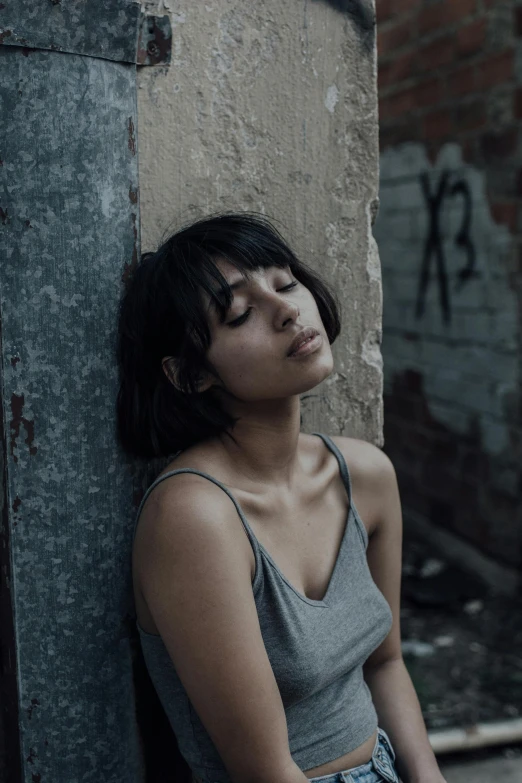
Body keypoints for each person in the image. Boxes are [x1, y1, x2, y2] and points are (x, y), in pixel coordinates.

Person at [116, 213, 446, 783]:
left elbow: (385, 663)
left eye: (286, 283)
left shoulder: (364, 473)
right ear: (191, 375)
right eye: (240, 313)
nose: (289, 310)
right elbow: (263, 771)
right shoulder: (193, 517)